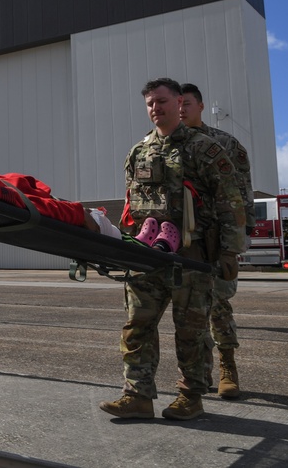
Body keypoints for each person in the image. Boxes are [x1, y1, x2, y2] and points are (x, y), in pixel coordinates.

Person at [99, 78, 245, 422]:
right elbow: (130, 205)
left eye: (161, 101)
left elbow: (231, 201)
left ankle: (190, 397)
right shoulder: (138, 152)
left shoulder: (204, 148)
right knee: (137, 326)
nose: (155, 108)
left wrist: (230, 251)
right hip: (145, 255)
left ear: (179, 102)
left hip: (191, 258)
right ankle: (137, 395)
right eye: (150, 103)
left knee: (191, 331)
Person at [180, 83, 253, 399]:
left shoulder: (224, 143)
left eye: (188, 103)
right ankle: (198, 374)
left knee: (218, 307)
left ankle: (228, 369)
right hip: (182, 241)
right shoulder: (166, 145)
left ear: (200, 106)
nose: (181, 109)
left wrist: (237, 240)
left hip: (216, 238)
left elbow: (242, 193)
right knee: (188, 311)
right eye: (177, 103)